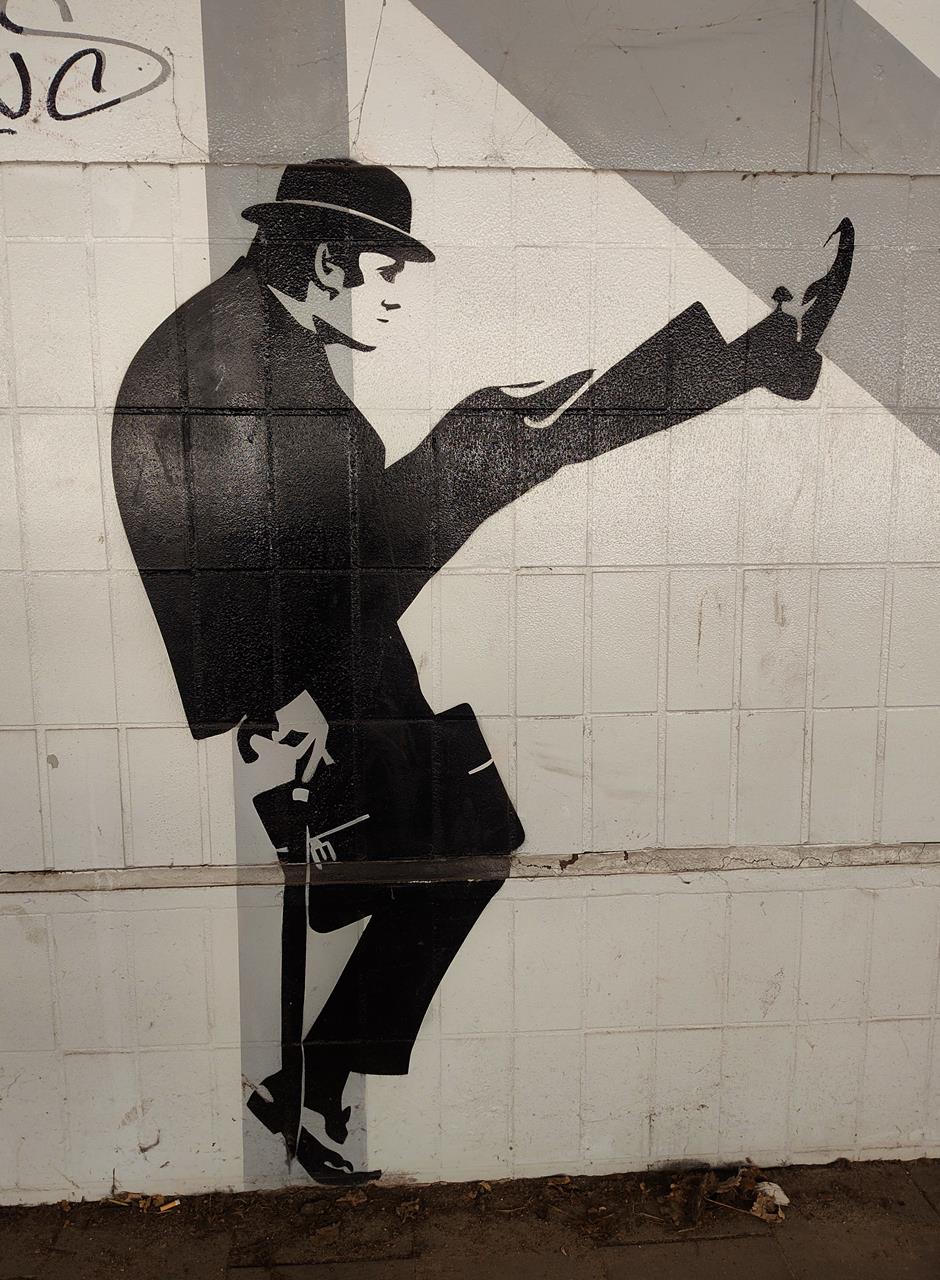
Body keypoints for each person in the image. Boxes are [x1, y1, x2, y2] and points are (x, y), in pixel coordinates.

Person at [111, 159, 854, 1183]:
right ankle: (314, 1077)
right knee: (464, 841)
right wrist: (286, 701)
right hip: (314, 646)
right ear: (327, 261)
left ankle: (755, 357)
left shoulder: (249, 334)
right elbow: (240, 547)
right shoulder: (241, 363)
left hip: (329, 618)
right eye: (384, 272)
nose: (393, 296)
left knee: (492, 432)